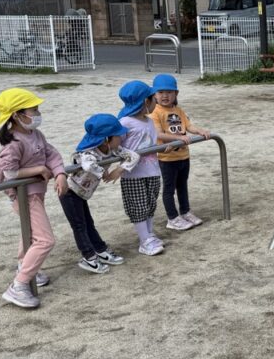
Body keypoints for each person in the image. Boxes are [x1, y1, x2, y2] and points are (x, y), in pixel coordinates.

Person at [0, 88, 68, 309]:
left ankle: (24, 265)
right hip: (24, 196)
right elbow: (8, 173)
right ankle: (19, 285)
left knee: (29, 232)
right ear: (17, 115)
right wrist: (38, 169)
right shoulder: (14, 143)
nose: (37, 114)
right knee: (45, 240)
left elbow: (51, 153)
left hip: (36, 193)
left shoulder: (35, 134)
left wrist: (60, 173)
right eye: (33, 110)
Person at [61, 114, 141, 274]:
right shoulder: (88, 153)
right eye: (118, 135)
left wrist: (119, 169)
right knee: (79, 226)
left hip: (83, 194)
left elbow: (134, 155)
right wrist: (103, 173)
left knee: (88, 223)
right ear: (106, 139)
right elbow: (88, 165)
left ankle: (100, 249)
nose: (122, 137)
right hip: (70, 192)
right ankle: (88, 257)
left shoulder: (113, 149)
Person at [149, 73, 211, 231]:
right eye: (161, 92)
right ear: (154, 94)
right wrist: (178, 138)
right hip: (167, 158)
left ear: (176, 93)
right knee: (169, 189)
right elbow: (158, 134)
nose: (165, 96)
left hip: (183, 155)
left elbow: (189, 126)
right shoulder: (155, 112)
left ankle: (185, 211)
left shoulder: (178, 110)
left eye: (169, 92)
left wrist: (200, 131)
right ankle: (172, 217)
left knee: (182, 186)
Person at [118, 80, 165, 256]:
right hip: (133, 174)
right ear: (146, 101)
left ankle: (149, 234)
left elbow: (151, 143)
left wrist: (161, 148)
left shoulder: (149, 121)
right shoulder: (125, 122)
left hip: (152, 170)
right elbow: (117, 147)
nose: (156, 101)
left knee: (150, 203)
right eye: (154, 98)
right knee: (138, 207)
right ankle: (144, 240)